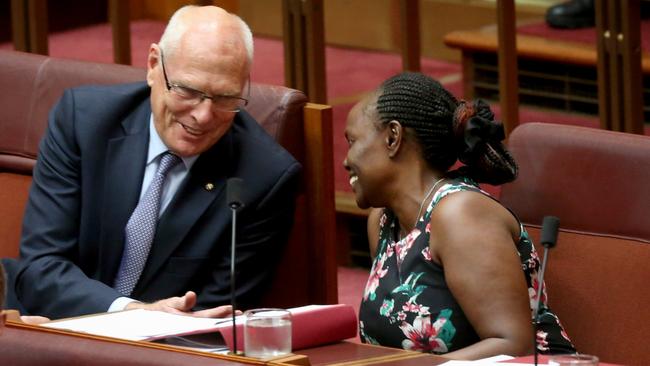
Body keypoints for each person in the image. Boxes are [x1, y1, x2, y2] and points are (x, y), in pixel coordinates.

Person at [7, 5, 300, 320]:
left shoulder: (264, 176)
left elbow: (217, 310)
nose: (203, 116)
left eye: (226, 98)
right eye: (188, 91)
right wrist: (133, 313)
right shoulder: (83, 122)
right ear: (152, 65)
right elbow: (41, 266)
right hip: (52, 323)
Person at [344, 72, 576, 359]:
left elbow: (513, 344)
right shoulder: (381, 221)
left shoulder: (460, 215)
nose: (345, 160)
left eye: (351, 141)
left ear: (393, 137)